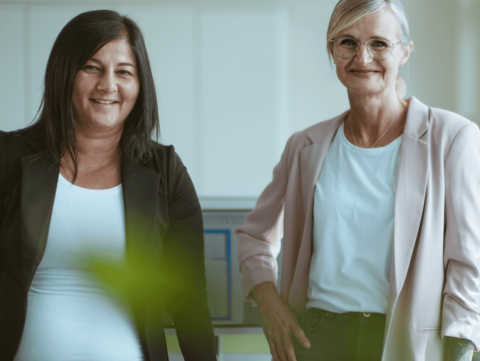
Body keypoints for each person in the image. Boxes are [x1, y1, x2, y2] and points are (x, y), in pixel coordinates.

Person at [235, 0, 480, 360]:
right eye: (347, 42)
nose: (362, 58)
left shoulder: (452, 137)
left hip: (405, 341)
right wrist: (268, 301)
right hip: (317, 338)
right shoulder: (305, 147)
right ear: (332, 52)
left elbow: (468, 261)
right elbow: (254, 237)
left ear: (405, 52)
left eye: (379, 43)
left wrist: (461, 345)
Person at [0, 10, 216, 361]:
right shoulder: (8, 158)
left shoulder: (166, 171)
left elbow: (189, 301)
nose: (108, 85)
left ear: (140, 83)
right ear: (64, 73)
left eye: (124, 72)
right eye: (92, 67)